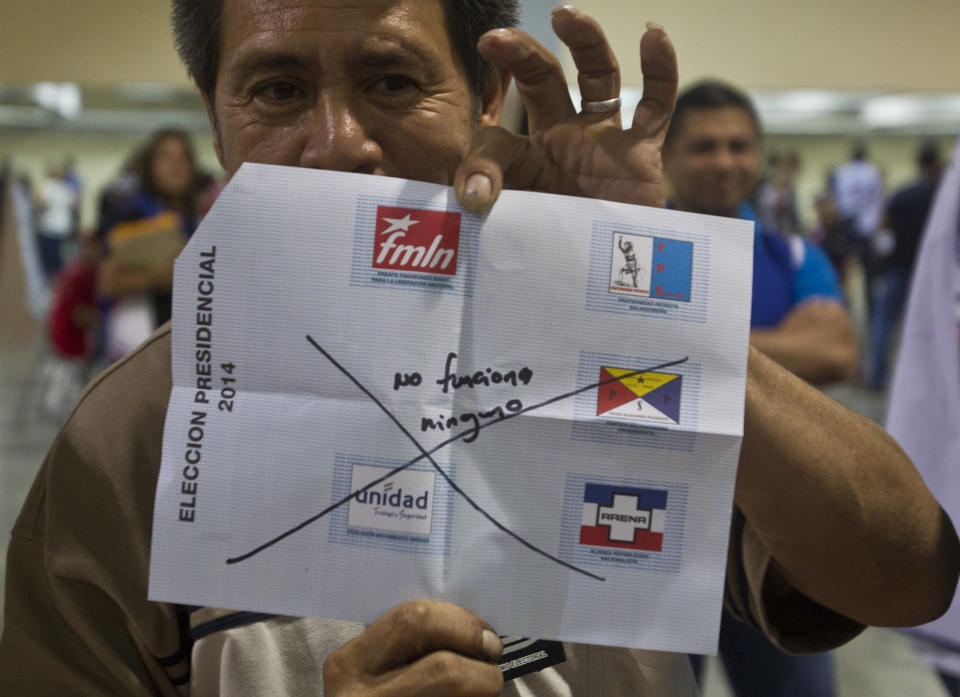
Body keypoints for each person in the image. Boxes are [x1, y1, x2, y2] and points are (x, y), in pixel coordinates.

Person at [0, 4, 957, 697]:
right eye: (277, 89)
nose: (338, 144)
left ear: (486, 94)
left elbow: (905, 574)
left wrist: (659, 308)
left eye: (391, 80)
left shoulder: (624, 365)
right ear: (215, 117)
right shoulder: (131, 437)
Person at [661, 80, 856, 697]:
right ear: (665, 156)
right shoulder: (632, 249)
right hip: (654, 532)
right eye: (705, 146)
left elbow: (836, 351)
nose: (725, 162)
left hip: (776, 535)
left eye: (740, 146)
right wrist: (776, 344)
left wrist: (676, 347)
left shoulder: (791, 254)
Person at [96, 128, 204, 360]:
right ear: (150, 164)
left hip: (178, 339)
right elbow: (108, 282)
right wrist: (174, 271)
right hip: (139, 343)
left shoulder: (188, 215)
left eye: (183, 157)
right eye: (166, 156)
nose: (176, 165)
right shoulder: (132, 211)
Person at [867, 141, 944, 390]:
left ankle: (877, 378)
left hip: (898, 269)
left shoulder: (902, 195)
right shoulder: (943, 201)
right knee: (933, 329)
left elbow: (882, 229)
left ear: (918, 162)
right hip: (931, 275)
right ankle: (932, 381)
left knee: (883, 324)